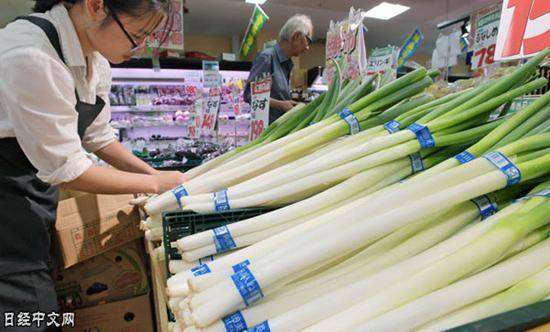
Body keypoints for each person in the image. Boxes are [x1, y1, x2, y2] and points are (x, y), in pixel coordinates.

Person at [0, 1, 187, 329]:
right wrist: (155, 185)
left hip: (31, 193)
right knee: (27, 310)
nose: (139, 48)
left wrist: (153, 174)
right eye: (137, 35)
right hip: (7, 204)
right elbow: (67, 169)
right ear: (96, 6)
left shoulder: (96, 60)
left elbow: (99, 137)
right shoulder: (30, 55)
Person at [244, 14, 313, 123]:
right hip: (267, 129)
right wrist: (281, 105)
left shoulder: (286, 64)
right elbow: (250, 96)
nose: (307, 47)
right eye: (308, 40)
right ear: (296, 36)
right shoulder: (267, 58)